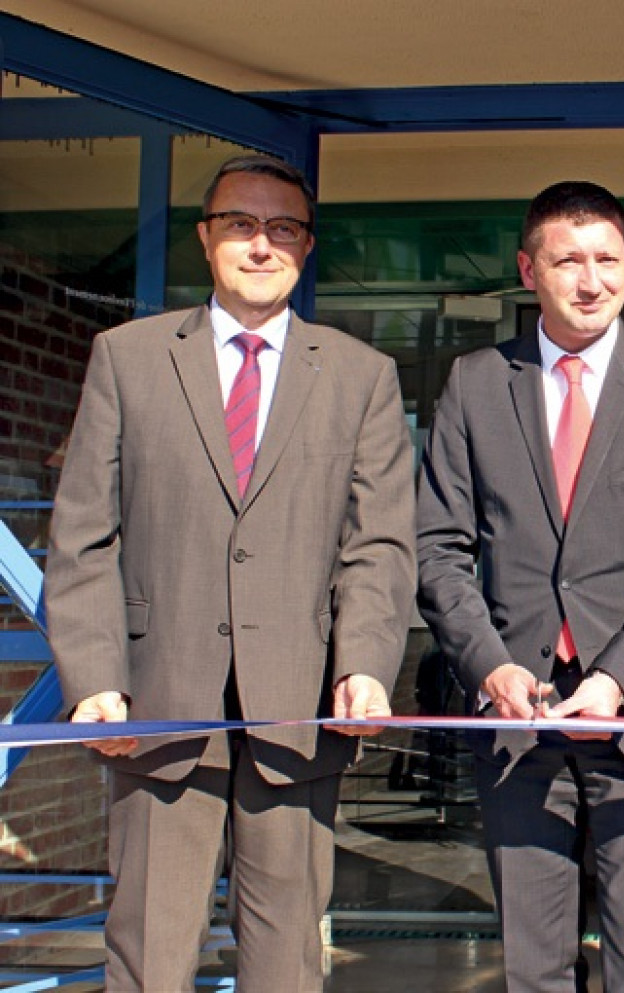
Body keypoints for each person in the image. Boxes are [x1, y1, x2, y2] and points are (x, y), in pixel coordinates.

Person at [45, 154, 417, 992]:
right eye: (241, 225)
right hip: (155, 705)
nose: (262, 243)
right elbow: (83, 534)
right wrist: (96, 678)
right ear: (207, 240)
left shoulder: (361, 376)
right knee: (147, 956)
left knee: (285, 960)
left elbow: (379, 542)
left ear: (307, 246)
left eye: (282, 227)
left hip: (297, 709)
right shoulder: (128, 357)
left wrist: (363, 662)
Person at [416, 181, 624, 992]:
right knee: (533, 965)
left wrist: (617, 674)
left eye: (607, 259)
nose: (590, 280)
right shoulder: (476, 382)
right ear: (529, 269)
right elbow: (438, 547)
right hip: (516, 714)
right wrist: (489, 665)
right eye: (567, 260)